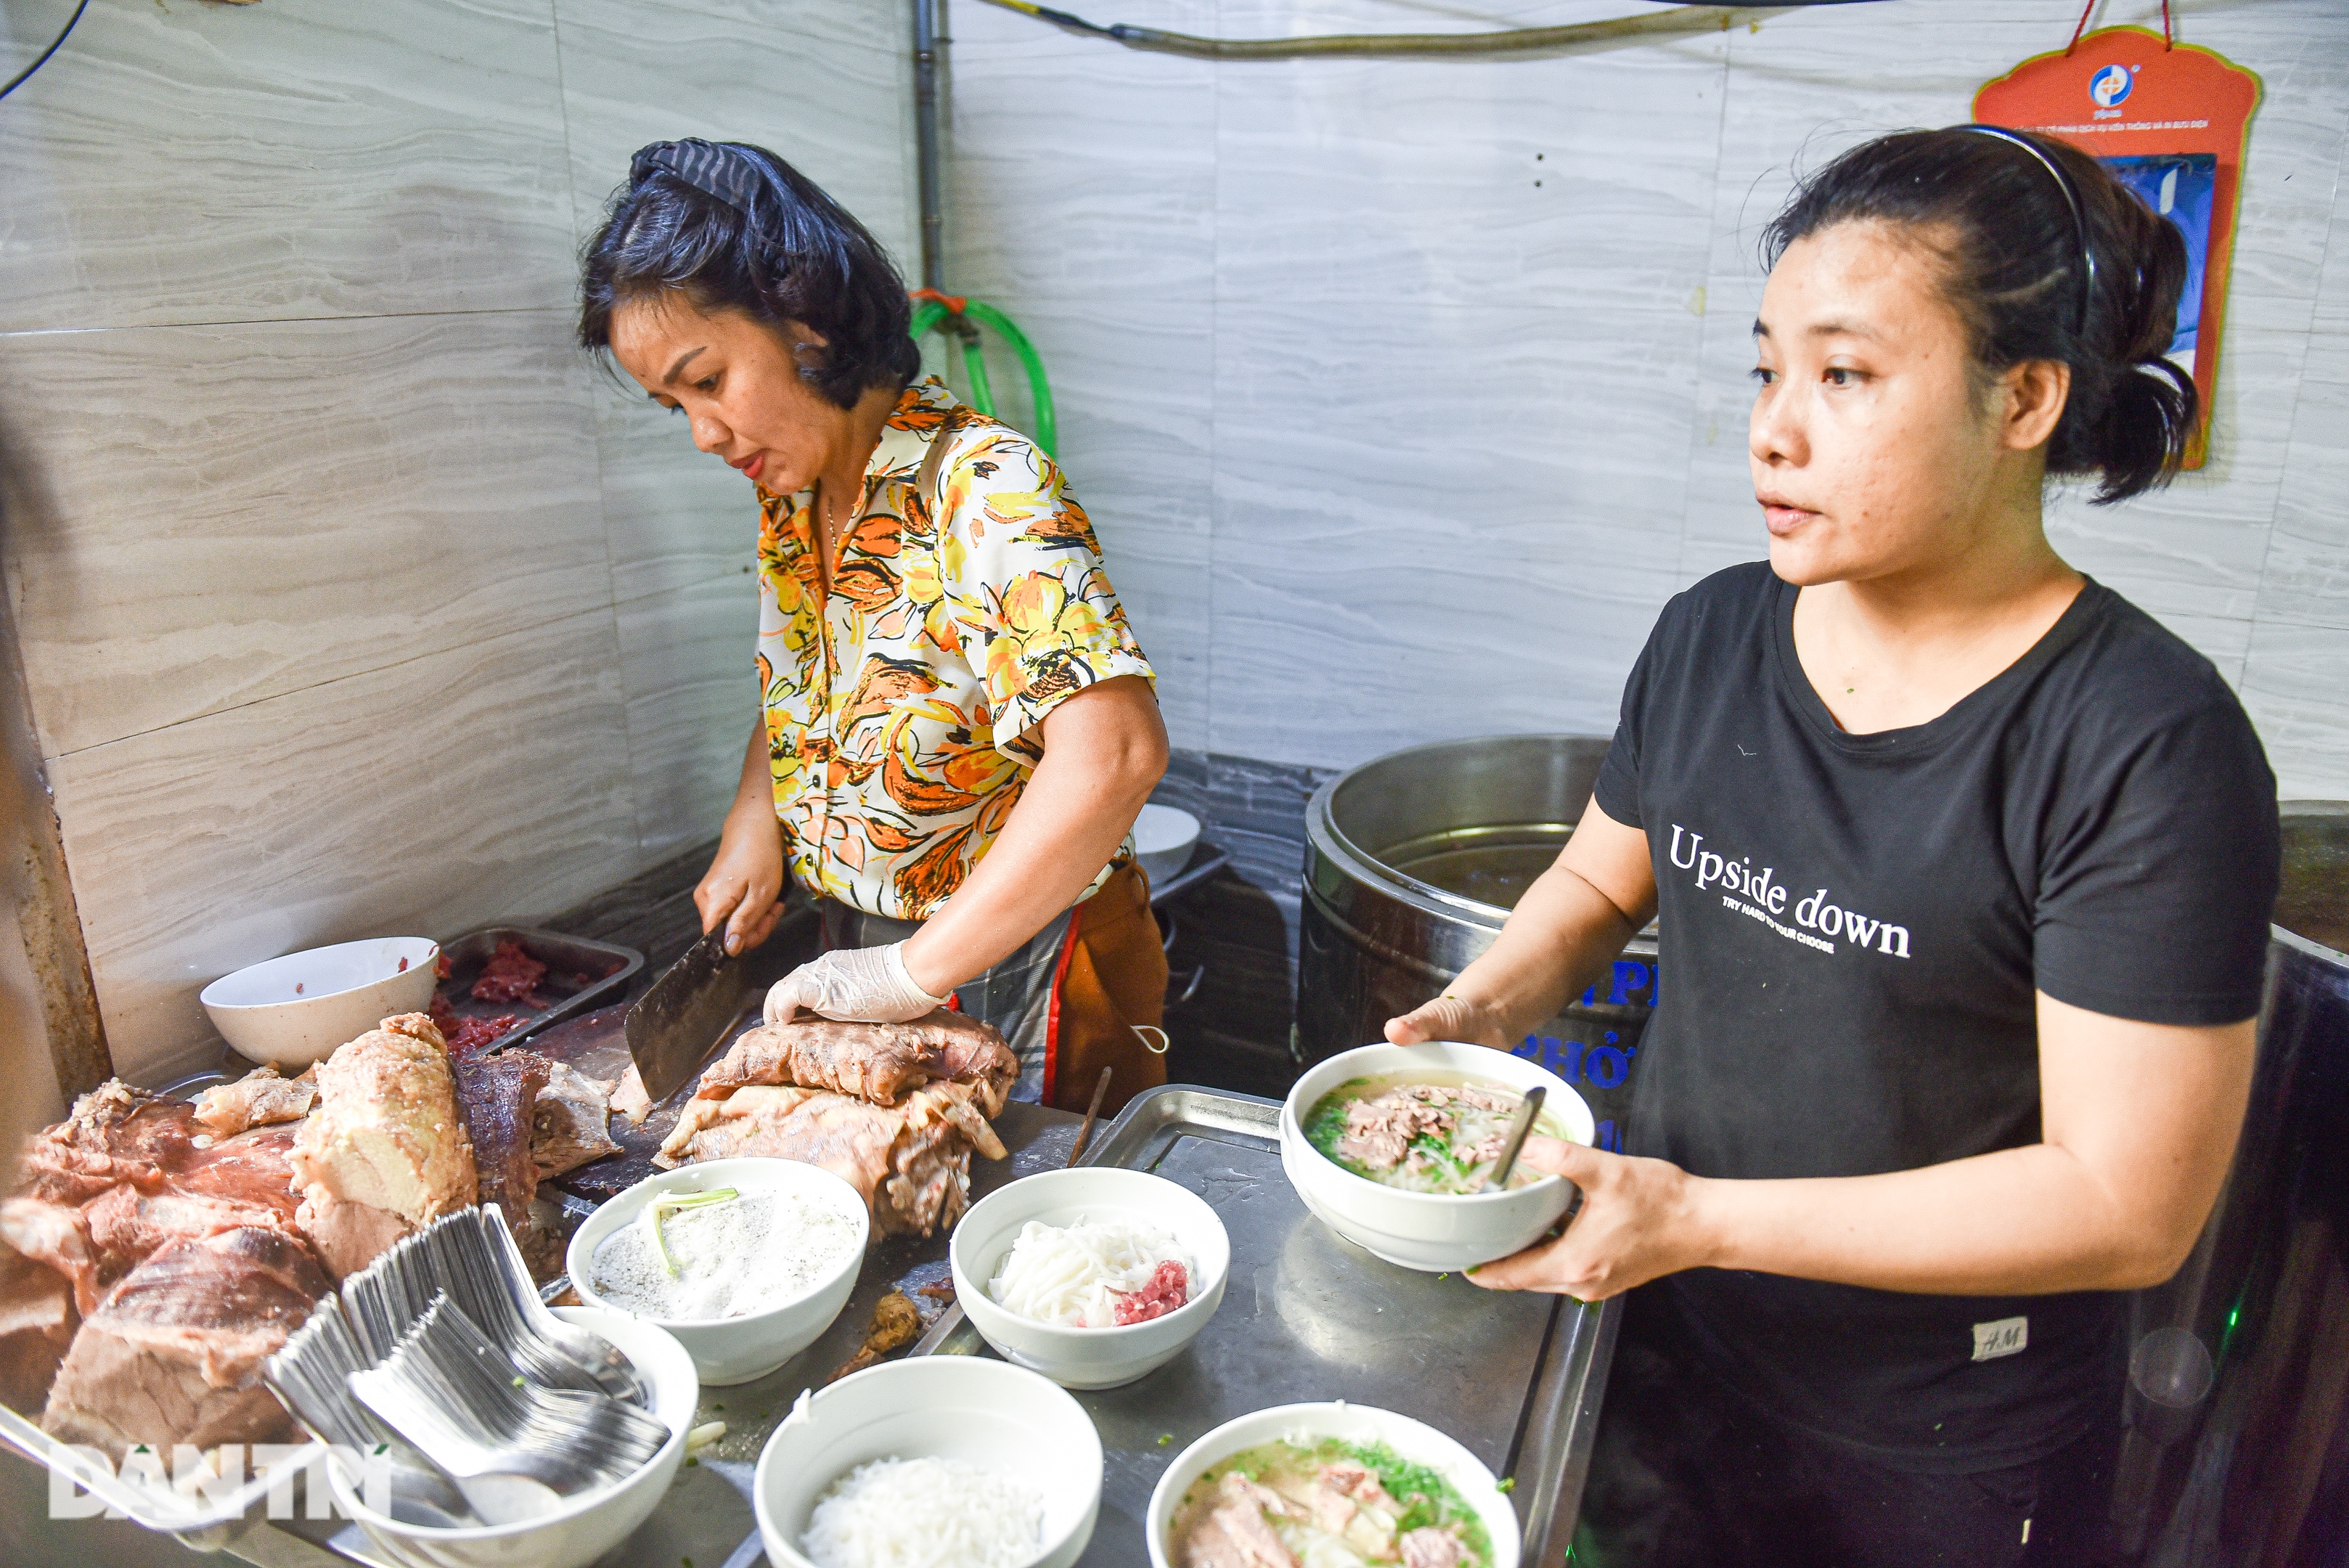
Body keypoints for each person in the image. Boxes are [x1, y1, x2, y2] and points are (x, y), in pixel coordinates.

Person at [1386, 126, 2278, 1567]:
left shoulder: (2143, 741)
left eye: (1844, 375)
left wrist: (1697, 1217)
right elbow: (1600, 880)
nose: (1772, 428)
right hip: (1662, 1349)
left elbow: (2124, 1205)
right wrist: (1476, 1010)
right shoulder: (1712, 634)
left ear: (2024, 399)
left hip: (1937, 1441)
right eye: (1766, 369)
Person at [578, 139, 1172, 1111]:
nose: (702, 433)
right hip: (871, 948)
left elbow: (1114, 753)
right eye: (670, 404)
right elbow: (817, 683)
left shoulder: (983, 486)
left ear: (804, 322)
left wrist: (909, 976)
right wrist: (755, 816)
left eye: (709, 379)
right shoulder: (795, 492)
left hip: (1039, 958)